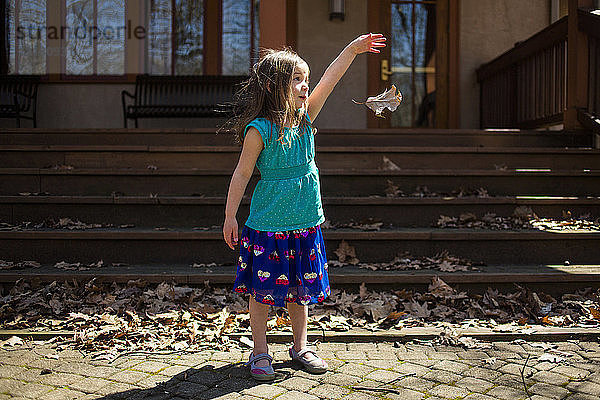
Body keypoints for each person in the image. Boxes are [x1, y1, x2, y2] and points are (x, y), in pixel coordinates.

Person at [222, 33, 386, 381]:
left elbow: (331, 78)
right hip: (267, 226)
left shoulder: (306, 117)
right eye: (296, 79)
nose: (305, 86)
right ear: (272, 86)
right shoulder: (259, 130)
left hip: (303, 223)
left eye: (305, 80)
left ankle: (300, 346)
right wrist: (229, 215)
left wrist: (353, 49)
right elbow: (241, 173)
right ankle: (260, 351)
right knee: (262, 294)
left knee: (300, 292)